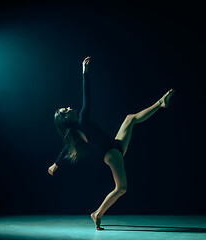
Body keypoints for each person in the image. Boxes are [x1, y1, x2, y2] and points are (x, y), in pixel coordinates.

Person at [48, 56, 175, 230]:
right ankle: (97, 213)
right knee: (122, 188)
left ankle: (160, 103)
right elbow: (88, 98)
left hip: (115, 144)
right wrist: (85, 72)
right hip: (111, 152)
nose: (69, 108)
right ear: (65, 119)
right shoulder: (82, 122)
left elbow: (66, 147)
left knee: (130, 119)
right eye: (65, 111)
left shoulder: (75, 131)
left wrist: (56, 163)